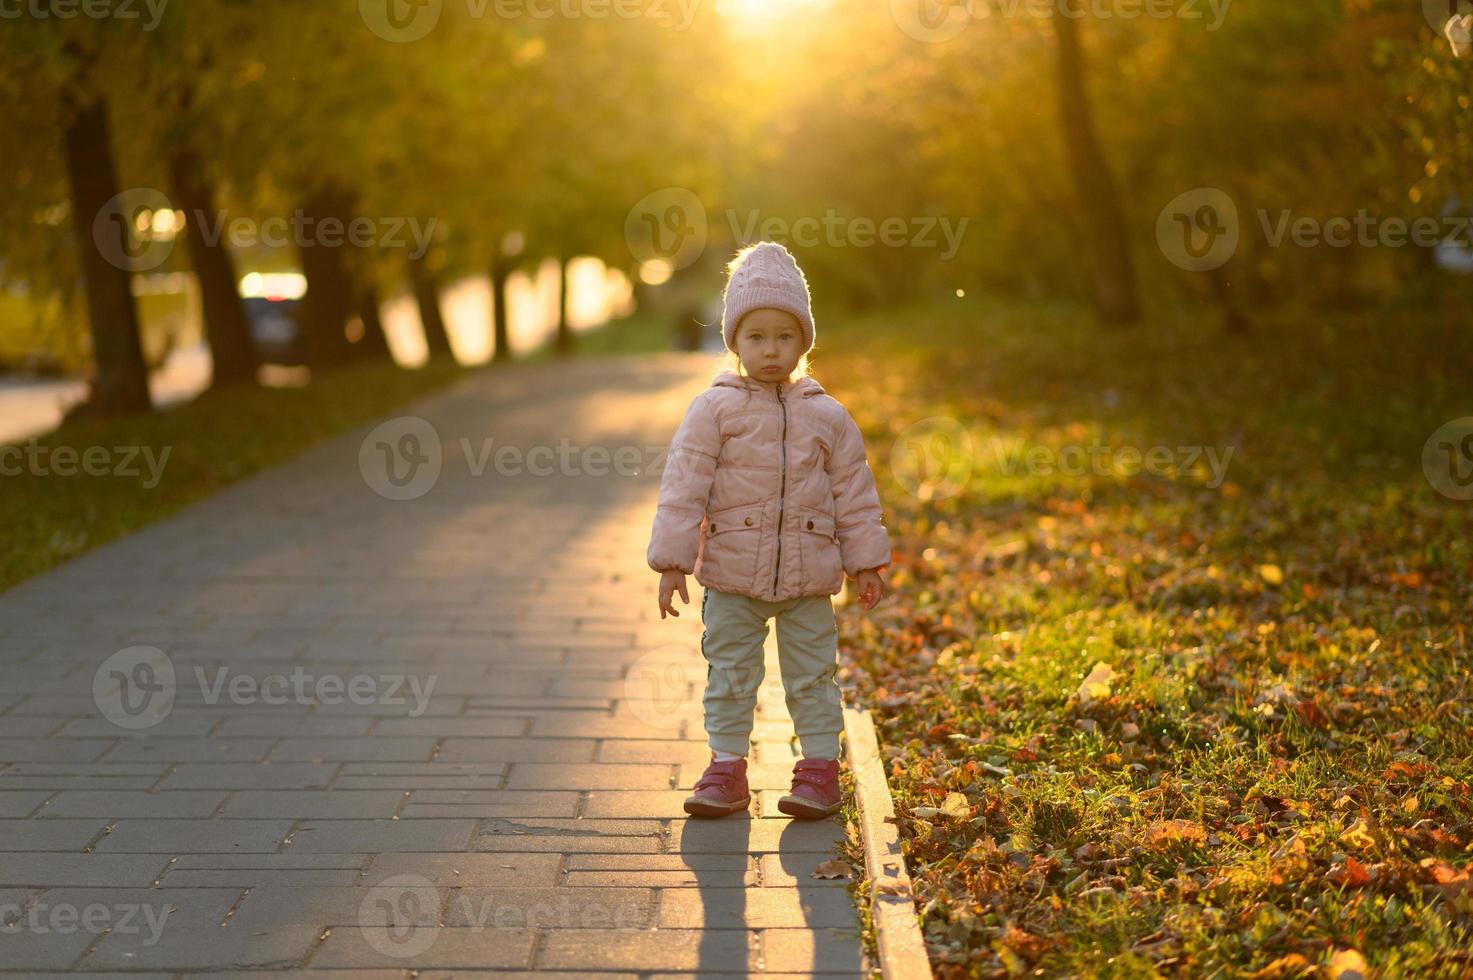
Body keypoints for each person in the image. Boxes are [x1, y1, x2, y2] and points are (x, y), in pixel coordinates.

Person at [646, 240, 892, 820]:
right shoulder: (714, 410)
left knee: (812, 676)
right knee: (730, 674)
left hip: (809, 578)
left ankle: (818, 772)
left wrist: (866, 562)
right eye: (757, 337)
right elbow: (683, 489)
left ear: (803, 342)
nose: (772, 350)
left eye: (785, 337)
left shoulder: (827, 415)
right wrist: (672, 563)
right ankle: (727, 769)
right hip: (732, 576)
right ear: (735, 342)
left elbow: (855, 496)